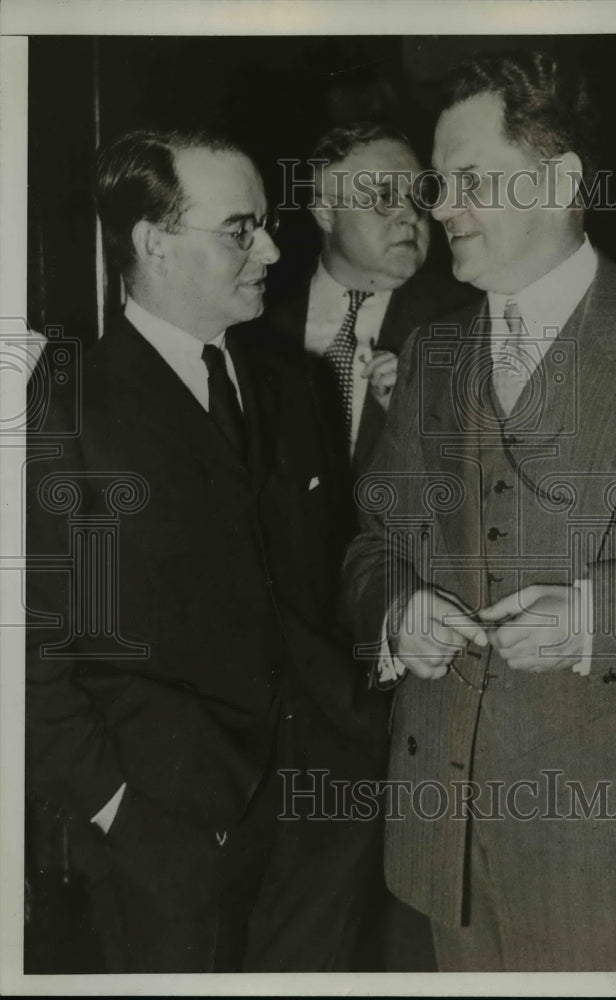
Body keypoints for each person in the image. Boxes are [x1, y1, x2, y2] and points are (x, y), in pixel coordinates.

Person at [342, 50, 616, 971]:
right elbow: (372, 543)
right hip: (445, 835)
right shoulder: (431, 354)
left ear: (562, 181)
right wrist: (396, 610)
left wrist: (600, 619)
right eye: (439, 183)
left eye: (470, 181)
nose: (440, 208)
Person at [25, 126, 387, 973]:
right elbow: (28, 641)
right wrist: (112, 804)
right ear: (154, 243)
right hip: (166, 831)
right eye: (238, 229)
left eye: (263, 223)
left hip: (322, 817)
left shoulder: (294, 387)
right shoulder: (62, 405)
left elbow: (323, 577)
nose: (268, 247)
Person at [263, 122, 478, 505]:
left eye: (418, 196)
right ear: (326, 213)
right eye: (384, 196)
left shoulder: (470, 320)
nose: (411, 214)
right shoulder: (258, 325)